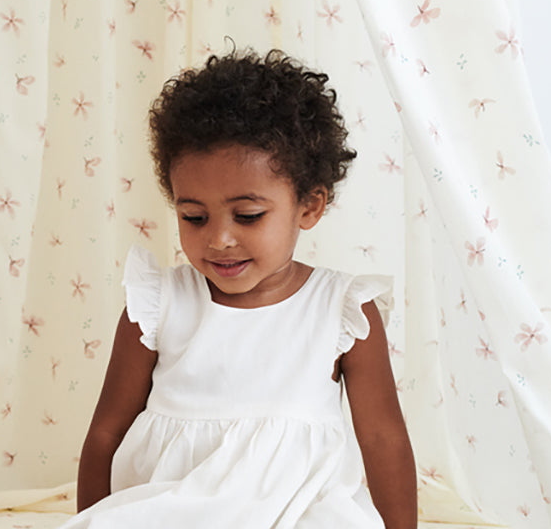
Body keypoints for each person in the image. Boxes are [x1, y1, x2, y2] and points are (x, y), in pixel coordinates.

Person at [71, 48, 417, 528]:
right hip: (175, 510)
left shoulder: (342, 312)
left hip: (299, 511)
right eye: (194, 217)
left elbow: (383, 439)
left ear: (309, 206)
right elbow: (106, 433)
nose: (219, 239)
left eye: (248, 216)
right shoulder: (156, 307)